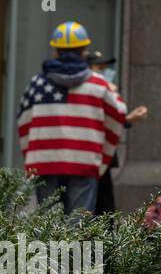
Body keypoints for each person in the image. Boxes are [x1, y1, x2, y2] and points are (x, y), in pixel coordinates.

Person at [18, 21, 127, 222]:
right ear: (84, 51)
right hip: (83, 163)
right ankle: (74, 255)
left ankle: (50, 255)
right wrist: (101, 160)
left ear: (55, 51)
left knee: (47, 226)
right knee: (77, 226)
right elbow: (119, 115)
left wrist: (32, 159)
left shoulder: (37, 84)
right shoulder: (99, 84)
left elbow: (23, 123)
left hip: (45, 163)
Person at [87, 50, 148, 217]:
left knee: (105, 204)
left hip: (101, 154)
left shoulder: (100, 88)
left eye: (105, 68)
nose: (105, 72)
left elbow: (108, 118)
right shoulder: (93, 88)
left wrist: (128, 118)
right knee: (97, 206)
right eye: (100, 67)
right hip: (91, 155)